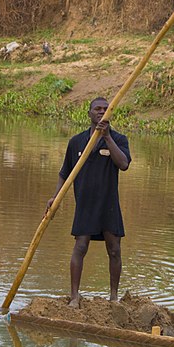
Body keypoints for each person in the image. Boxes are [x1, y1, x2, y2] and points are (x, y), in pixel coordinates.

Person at [46, 97, 131, 307]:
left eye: (105, 109)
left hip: (109, 204)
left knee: (114, 249)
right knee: (80, 246)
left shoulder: (119, 139)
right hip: (85, 203)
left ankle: (113, 296)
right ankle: (75, 297)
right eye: (97, 109)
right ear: (89, 113)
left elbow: (123, 164)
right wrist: (55, 197)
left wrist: (107, 137)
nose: (101, 112)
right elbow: (65, 173)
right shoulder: (76, 141)